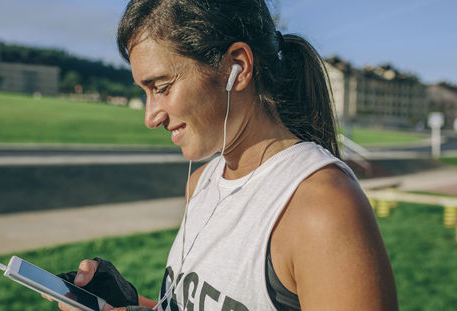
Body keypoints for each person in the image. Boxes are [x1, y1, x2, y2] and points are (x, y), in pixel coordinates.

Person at [49, 0, 398, 310]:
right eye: (145, 92)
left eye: (163, 87)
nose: (150, 116)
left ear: (238, 67)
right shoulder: (201, 184)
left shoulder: (320, 207)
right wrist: (123, 302)